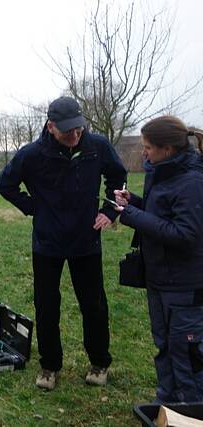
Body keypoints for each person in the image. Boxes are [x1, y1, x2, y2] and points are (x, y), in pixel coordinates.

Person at [0, 96, 127, 390]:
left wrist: (107, 211)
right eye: (68, 130)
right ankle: (49, 366)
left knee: (93, 304)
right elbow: (3, 183)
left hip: (86, 240)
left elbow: (118, 176)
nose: (75, 135)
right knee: (47, 305)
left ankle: (99, 362)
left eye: (79, 128)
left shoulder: (97, 146)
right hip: (47, 242)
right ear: (50, 126)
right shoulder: (32, 154)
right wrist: (32, 207)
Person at [113, 116, 203, 403]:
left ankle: (190, 410)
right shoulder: (162, 172)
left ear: (168, 149)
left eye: (148, 148)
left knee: (187, 353)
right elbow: (162, 212)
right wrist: (134, 201)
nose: (143, 153)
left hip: (185, 286)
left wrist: (132, 216)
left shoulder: (192, 182)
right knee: (164, 345)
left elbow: (186, 233)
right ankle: (167, 403)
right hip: (160, 279)